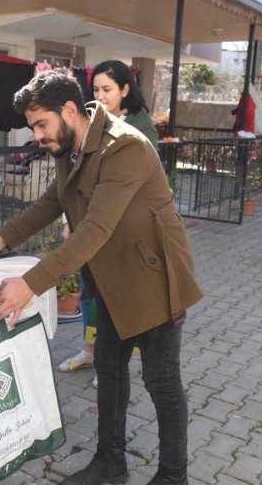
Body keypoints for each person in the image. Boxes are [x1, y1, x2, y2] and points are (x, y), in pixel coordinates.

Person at [0, 68, 202, 485]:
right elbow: (51, 202)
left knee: (162, 382)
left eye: (42, 124)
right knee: (110, 372)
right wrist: (1, 239)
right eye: (33, 127)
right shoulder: (70, 147)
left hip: (154, 281)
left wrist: (30, 284)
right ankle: (110, 464)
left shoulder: (125, 146)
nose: (38, 136)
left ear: (69, 109)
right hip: (111, 281)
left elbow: (95, 228)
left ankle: (174, 475)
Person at [56, 60, 161, 387]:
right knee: (89, 293)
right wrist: (70, 218)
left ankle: (112, 362)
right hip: (90, 225)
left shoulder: (138, 129)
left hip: (121, 229)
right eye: (96, 89)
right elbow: (77, 178)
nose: (99, 95)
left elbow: (121, 188)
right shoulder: (93, 124)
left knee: (117, 297)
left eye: (107, 89)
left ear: (125, 90)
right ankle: (91, 349)